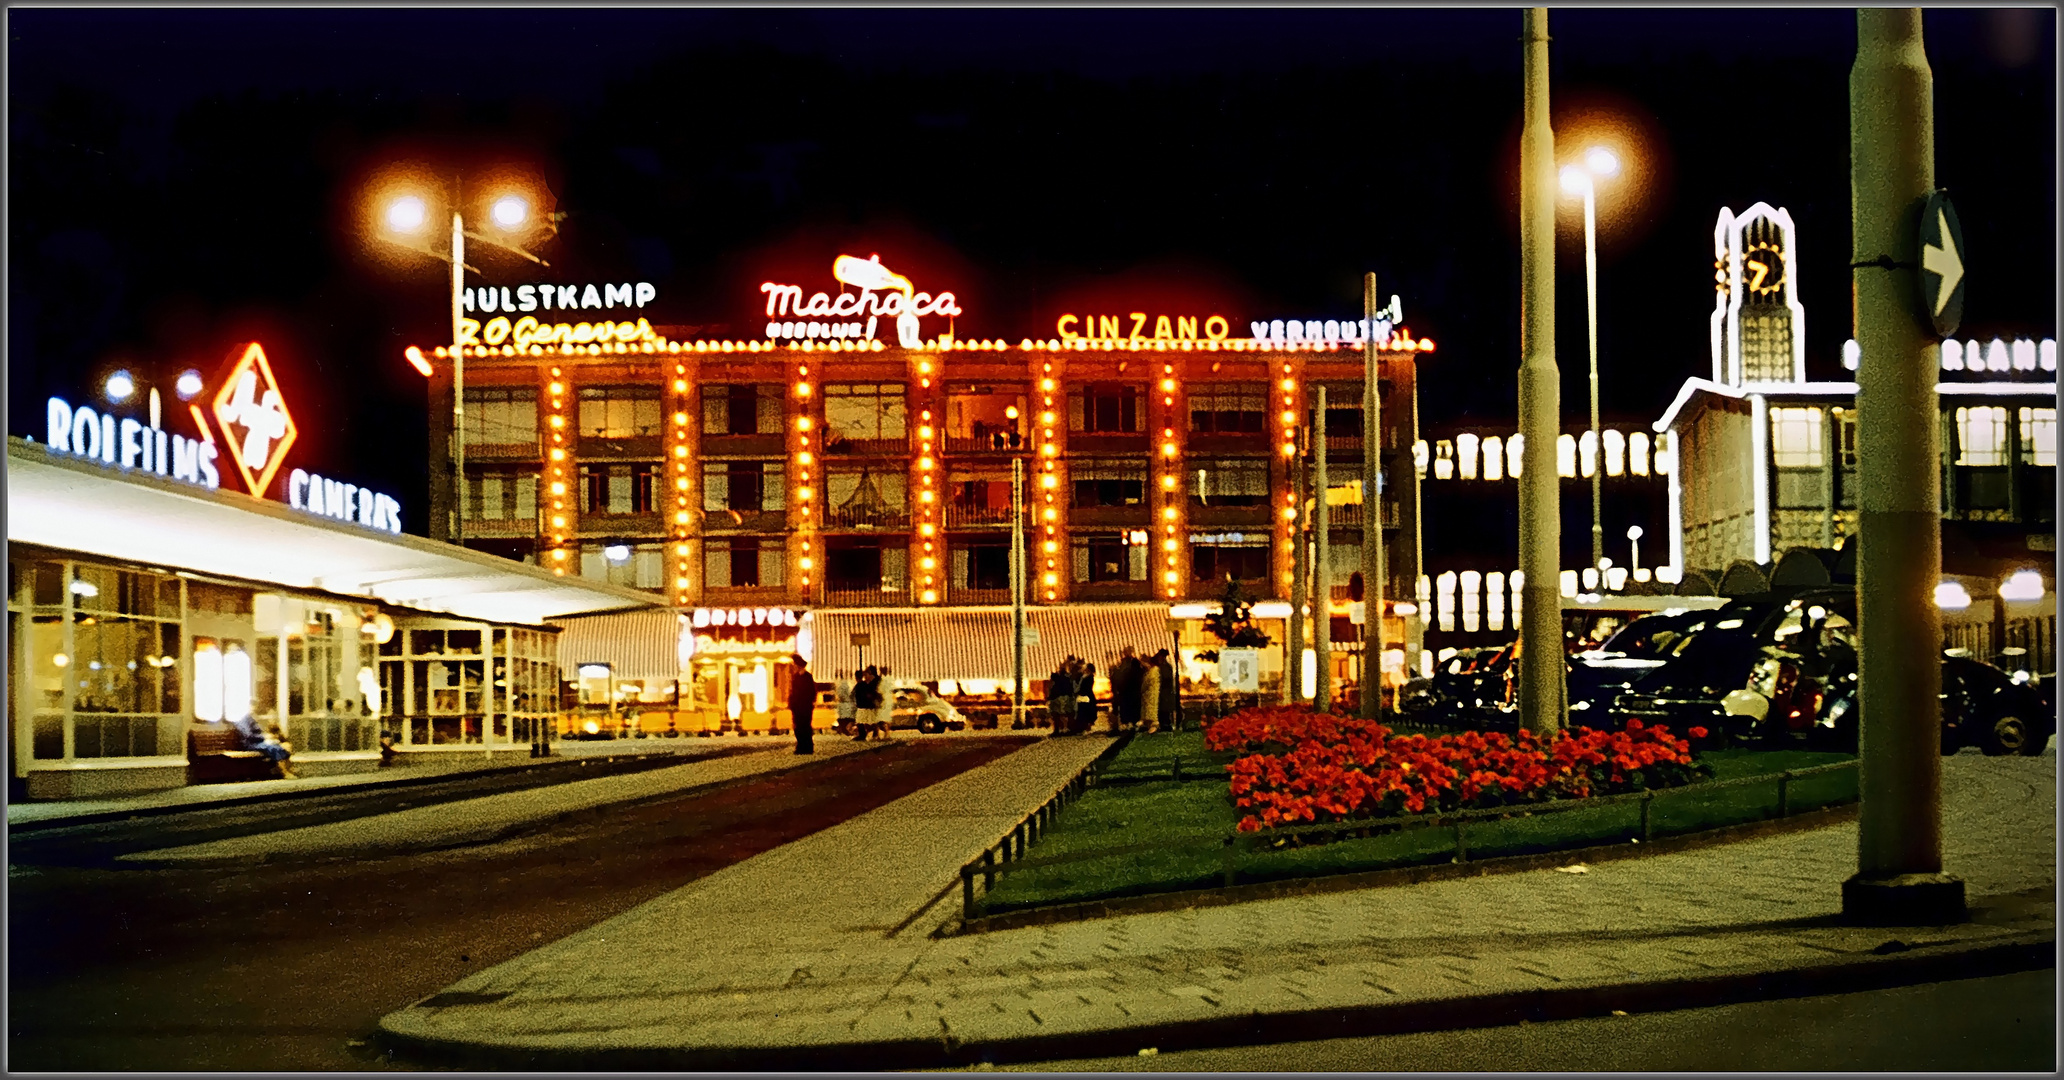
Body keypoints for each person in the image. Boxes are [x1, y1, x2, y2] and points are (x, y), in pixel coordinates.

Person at [787, 655, 818, 754]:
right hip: (797, 707)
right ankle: (800, 745)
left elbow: (812, 692)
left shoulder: (807, 677)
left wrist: (809, 702)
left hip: (805, 706)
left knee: (806, 726)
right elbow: (793, 692)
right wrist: (791, 703)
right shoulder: (795, 677)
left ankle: (808, 747)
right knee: (798, 727)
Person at [1111, 646, 1145, 734]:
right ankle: (1128, 723)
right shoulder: (1124, 663)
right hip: (1126, 691)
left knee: (1131, 708)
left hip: (1132, 691)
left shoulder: (1134, 663)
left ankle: (1132, 723)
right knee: (1127, 708)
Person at [1152, 648, 1180, 733]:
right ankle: (1164, 724)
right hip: (1163, 693)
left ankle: (1166, 725)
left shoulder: (1165, 667)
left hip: (1165, 693)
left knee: (1164, 710)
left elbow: (1166, 679)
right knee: (1162, 710)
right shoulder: (1164, 666)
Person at [1047, 657, 1077, 736]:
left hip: (1058, 697)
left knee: (1057, 714)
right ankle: (1067, 729)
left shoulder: (1058, 678)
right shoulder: (1068, 678)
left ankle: (1059, 730)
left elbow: (1052, 686)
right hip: (1065, 696)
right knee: (1067, 714)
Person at [1139, 652, 1162, 734]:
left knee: (1151, 710)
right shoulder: (1150, 671)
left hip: (1151, 694)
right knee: (1148, 710)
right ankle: (1149, 725)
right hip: (1148, 694)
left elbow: (1147, 682)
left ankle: (1154, 725)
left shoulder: (1153, 671)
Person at [1076, 660, 1099, 735]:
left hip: (1086, 695)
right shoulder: (1084, 676)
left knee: (1086, 711)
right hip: (1084, 695)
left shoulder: (1089, 677)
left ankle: (1087, 727)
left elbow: (1085, 687)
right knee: (1082, 711)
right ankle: (1083, 727)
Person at [836, 670, 858, 736]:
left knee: (847, 719)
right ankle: (849, 731)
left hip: (847, 705)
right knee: (847, 719)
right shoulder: (845, 683)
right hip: (847, 705)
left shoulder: (843, 683)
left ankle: (849, 731)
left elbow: (841, 695)